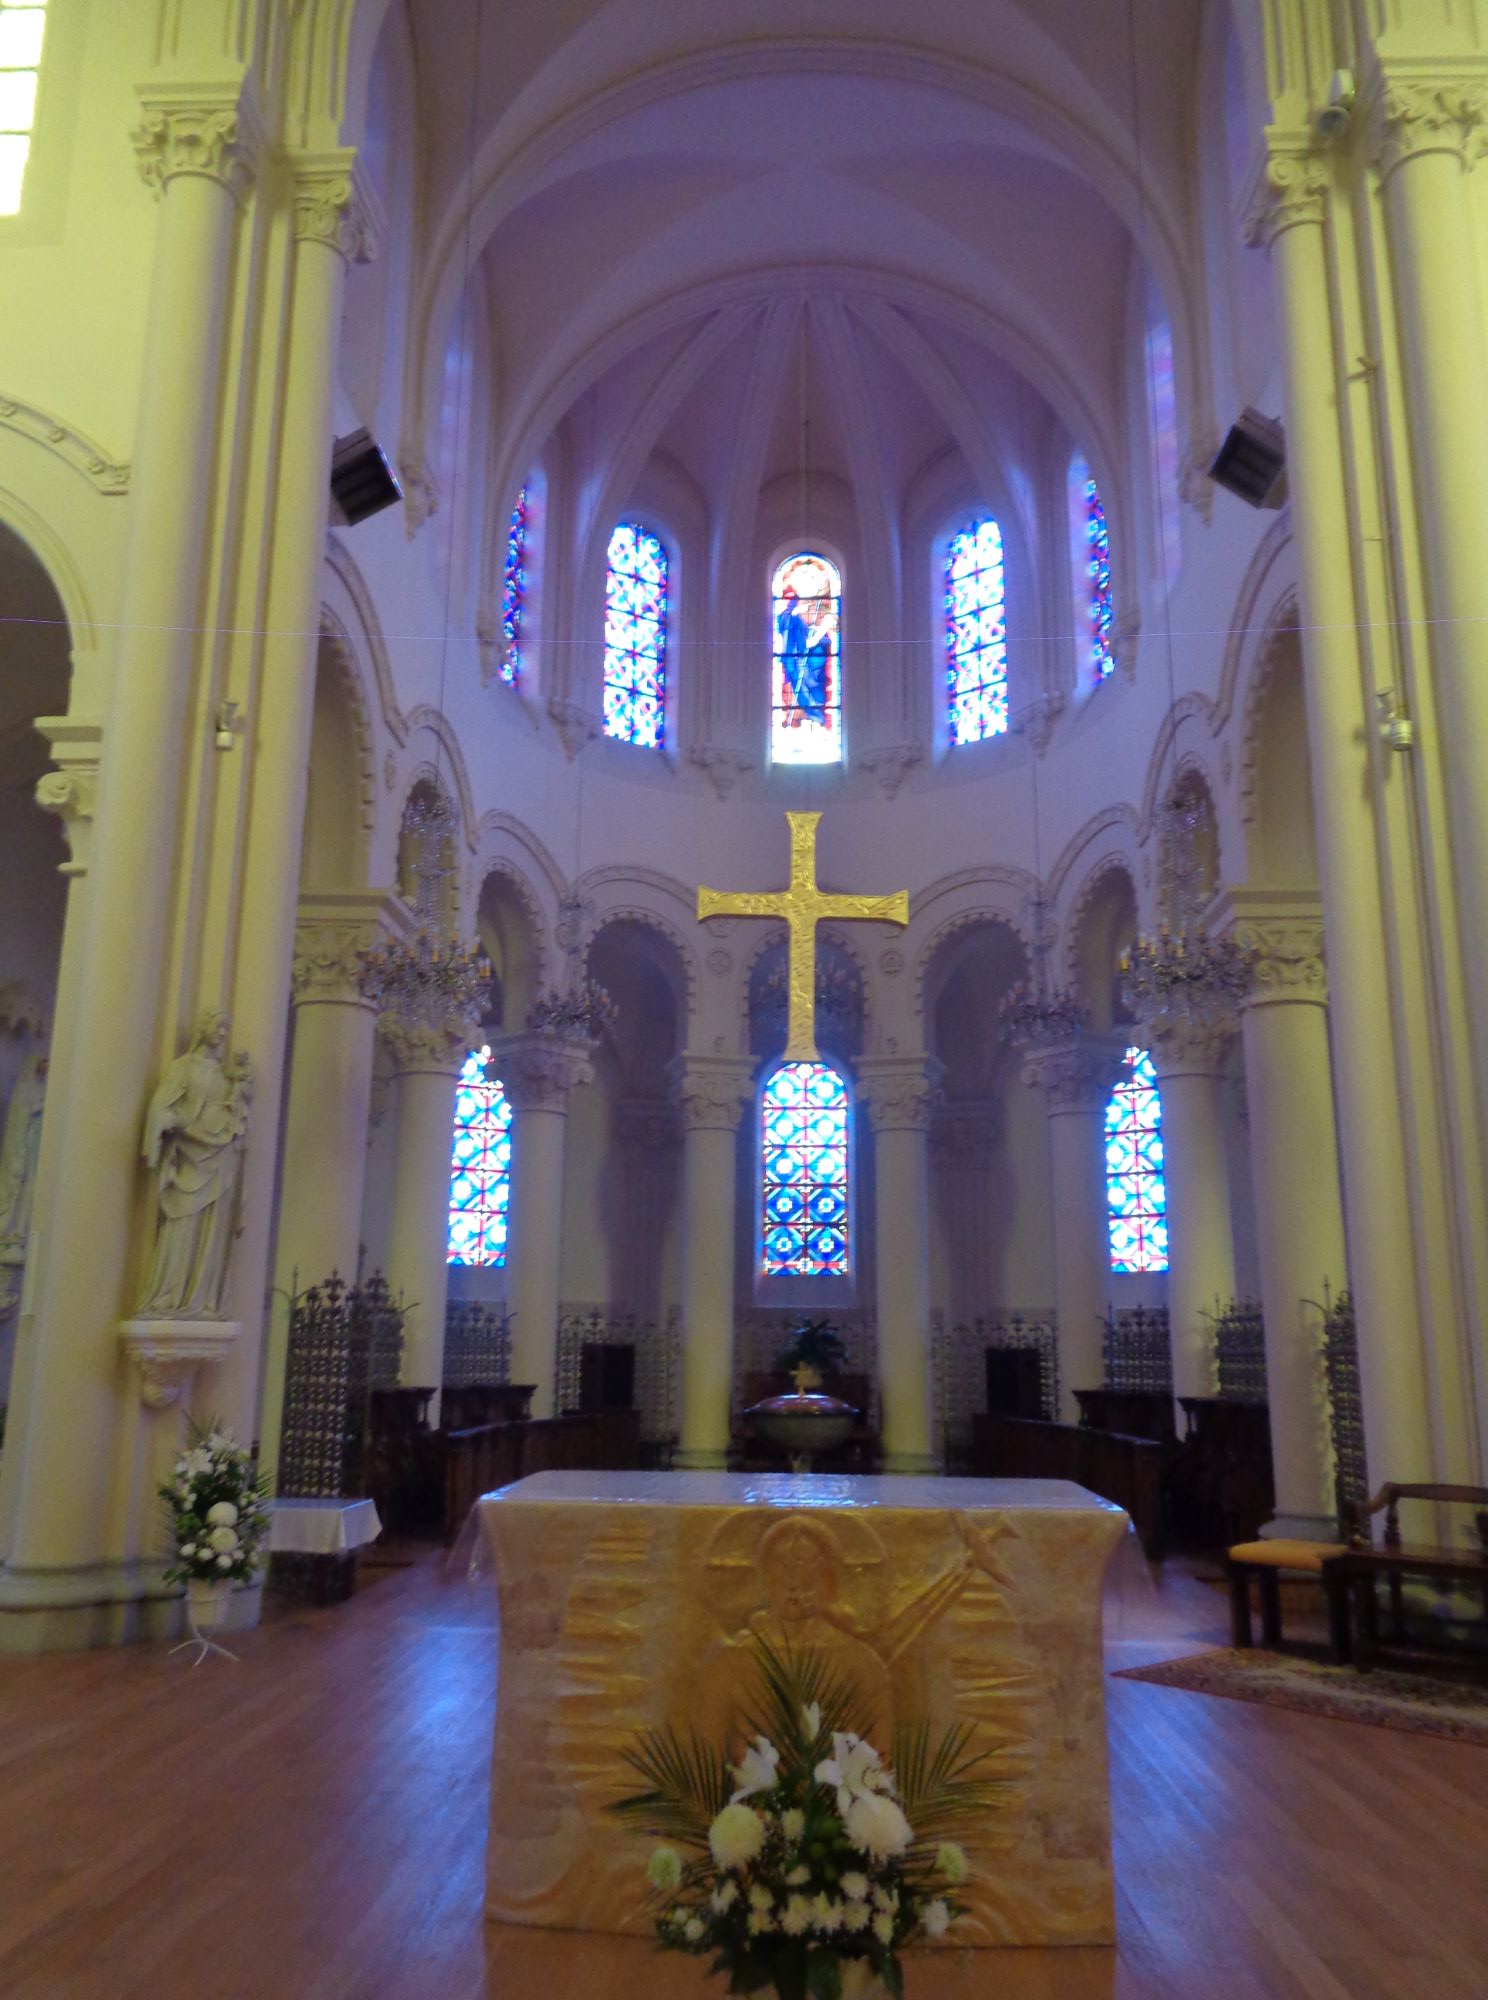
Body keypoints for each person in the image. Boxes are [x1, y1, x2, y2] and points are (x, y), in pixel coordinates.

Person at [134, 1011, 253, 1319]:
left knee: (213, 1229)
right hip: (190, 1150)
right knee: (183, 1223)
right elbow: (162, 1106)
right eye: (219, 1026)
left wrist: (239, 1098)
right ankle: (171, 1295)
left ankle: (202, 1299)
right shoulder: (183, 1067)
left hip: (221, 1153)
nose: (224, 1034)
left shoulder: (227, 1075)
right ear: (203, 1028)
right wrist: (168, 1123)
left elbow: (238, 1112)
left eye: (227, 1029)